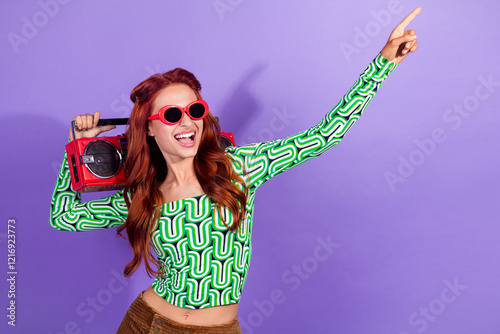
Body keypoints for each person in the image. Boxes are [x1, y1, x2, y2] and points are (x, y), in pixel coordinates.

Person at [49, 7, 421, 334]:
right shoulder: (142, 195)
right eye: (172, 114)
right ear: (148, 127)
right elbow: (62, 217)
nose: (187, 122)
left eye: (194, 111)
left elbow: (326, 136)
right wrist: (77, 149)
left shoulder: (240, 168)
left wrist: (383, 61)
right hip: (145, 322)